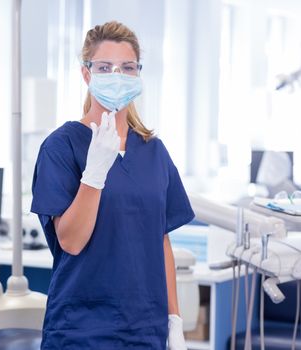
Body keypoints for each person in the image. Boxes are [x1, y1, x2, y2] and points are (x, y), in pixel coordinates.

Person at [31, 21, 195, 349]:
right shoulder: (61, 147)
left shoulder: (153, 151)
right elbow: (72, 241)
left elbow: (160, 241)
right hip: (82, 329)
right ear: (87, 73)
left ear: (138, 75)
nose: (117, 76)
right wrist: (94, 174)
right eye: (105, 67)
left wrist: (173, 322)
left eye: (127, 67)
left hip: (145, 328)